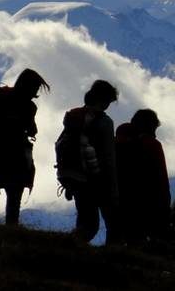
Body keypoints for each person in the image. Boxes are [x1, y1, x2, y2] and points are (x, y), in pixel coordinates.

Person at [0, 69, 50, 225]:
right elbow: (32, 129)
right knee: (15, 193)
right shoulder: (29, 107)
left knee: (11, 191)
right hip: (16, 155)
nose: (36, 92)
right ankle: (12, 227)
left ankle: (10, 228)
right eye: (35, 88)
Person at [59, 79, 119, 244]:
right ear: (103, 100)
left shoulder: (75, 117)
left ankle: (72, 252)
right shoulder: (104, 122)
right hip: (94, 178)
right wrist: (112, 188)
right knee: (94, 225)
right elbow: (108, 158)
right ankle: (68, 248)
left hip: (73, 175)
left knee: (84, 219)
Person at [116, 109, 170, 244]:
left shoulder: (119, 142)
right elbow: (161, 177)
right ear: (151, 125)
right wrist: (165, 204)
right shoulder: (153, 144)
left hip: (123, 198)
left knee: (128, 238)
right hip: (150, 201)